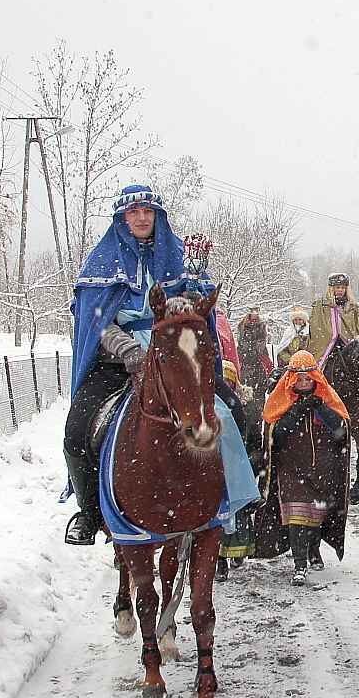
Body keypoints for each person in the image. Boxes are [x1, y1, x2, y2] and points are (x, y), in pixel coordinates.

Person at [62, 183, 234, 546]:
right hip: (118, 364)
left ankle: (236, 498)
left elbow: (199, 312)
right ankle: (89, 512)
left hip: (178, 362)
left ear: (157, 216)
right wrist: (130, 352)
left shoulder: (179, 258)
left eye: (147, 212)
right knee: (77, 431)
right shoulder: (101, 263)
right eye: (133, 212)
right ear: (122, 218)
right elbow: (95, 322)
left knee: (237, 413)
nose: (141, 218)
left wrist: (191, 300)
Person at [259, 351, 351, 586]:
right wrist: (295, 413)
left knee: (316, 515)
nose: (303, 383)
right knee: (298, 516)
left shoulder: (327, 398)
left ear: (315, 379)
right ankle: (299, 565)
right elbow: (274, 435)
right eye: (298, 379)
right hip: (291, 469)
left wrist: (321, 408)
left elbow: (341, 430)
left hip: (322, 469)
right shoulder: (281, 400)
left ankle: (313, 550)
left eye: (307, 379)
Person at [218, 360, 266, 572]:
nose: (227, 385)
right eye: (223, 381)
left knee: (240, 513)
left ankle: (238, 551)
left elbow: (255, 437)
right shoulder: (211, 405)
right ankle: (219, 560)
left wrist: (252, 463)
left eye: (229, 381)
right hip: (219, 467)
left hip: (240, 466)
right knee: (218, 515)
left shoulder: (247, 406)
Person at [305, 272, 359, 366]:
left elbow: (358, 326)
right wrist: (330, 333)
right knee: (316, 364)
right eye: (337, 287)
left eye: (343, 287)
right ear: (332, 288)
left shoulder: (352, 306)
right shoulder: (320, 305)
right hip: (325, 343)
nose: (340, 290)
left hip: (347, 342)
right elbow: (316, 326)